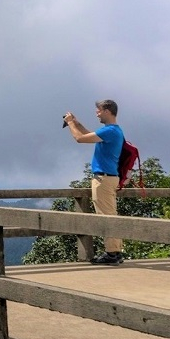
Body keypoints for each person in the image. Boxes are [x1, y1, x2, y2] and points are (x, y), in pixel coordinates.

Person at [63, 100, 125, 265]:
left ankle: (112, 254)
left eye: (98, 111)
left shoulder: (110, 131)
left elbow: (80, 138)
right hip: (109, 177)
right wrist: (77, 123)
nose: (96, 113)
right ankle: (116, 252)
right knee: (110, 215)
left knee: (106, 217)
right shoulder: (112, 131)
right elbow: (90, 135)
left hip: (103, 179)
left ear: (107, 111)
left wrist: (70, 123)